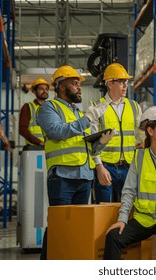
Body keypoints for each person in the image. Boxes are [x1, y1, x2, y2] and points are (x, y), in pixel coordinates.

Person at [36, 65, 114, 260]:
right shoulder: (49, 108)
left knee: (77, 229)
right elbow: (57, 131)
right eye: (74, 83)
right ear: (61, 86)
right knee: (59, 227)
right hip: (62, 176)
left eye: (79, 84)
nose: (79, 87)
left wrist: (101, 143)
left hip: (84, 177)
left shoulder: (79, 114)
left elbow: (86, 147)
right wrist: (87, 119)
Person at [104, 106, 156, 260]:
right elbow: (129, 191)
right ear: (150, 131)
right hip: (144, 220)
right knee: (113, 237)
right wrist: (122, 220)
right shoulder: (139, 157)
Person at [87, 62, 143, 203]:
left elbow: (141, 136)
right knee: (104, 208)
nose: (125, 85)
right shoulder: (96, 108)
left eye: (126, 82)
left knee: (131, 207)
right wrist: (99, 166)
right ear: (109, 84)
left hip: (129, 166)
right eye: (121, 82)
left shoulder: (134, 106)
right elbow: (92, 141)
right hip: (106, 166)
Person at [19, 78, 49, 148]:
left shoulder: (52, 108)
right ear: (34, 91)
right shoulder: (28, 107)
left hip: (50, 147)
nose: (45, 91)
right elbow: (22, 130)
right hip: (35, 147)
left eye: (46, 89)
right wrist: (39, 142)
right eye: (41, 89)